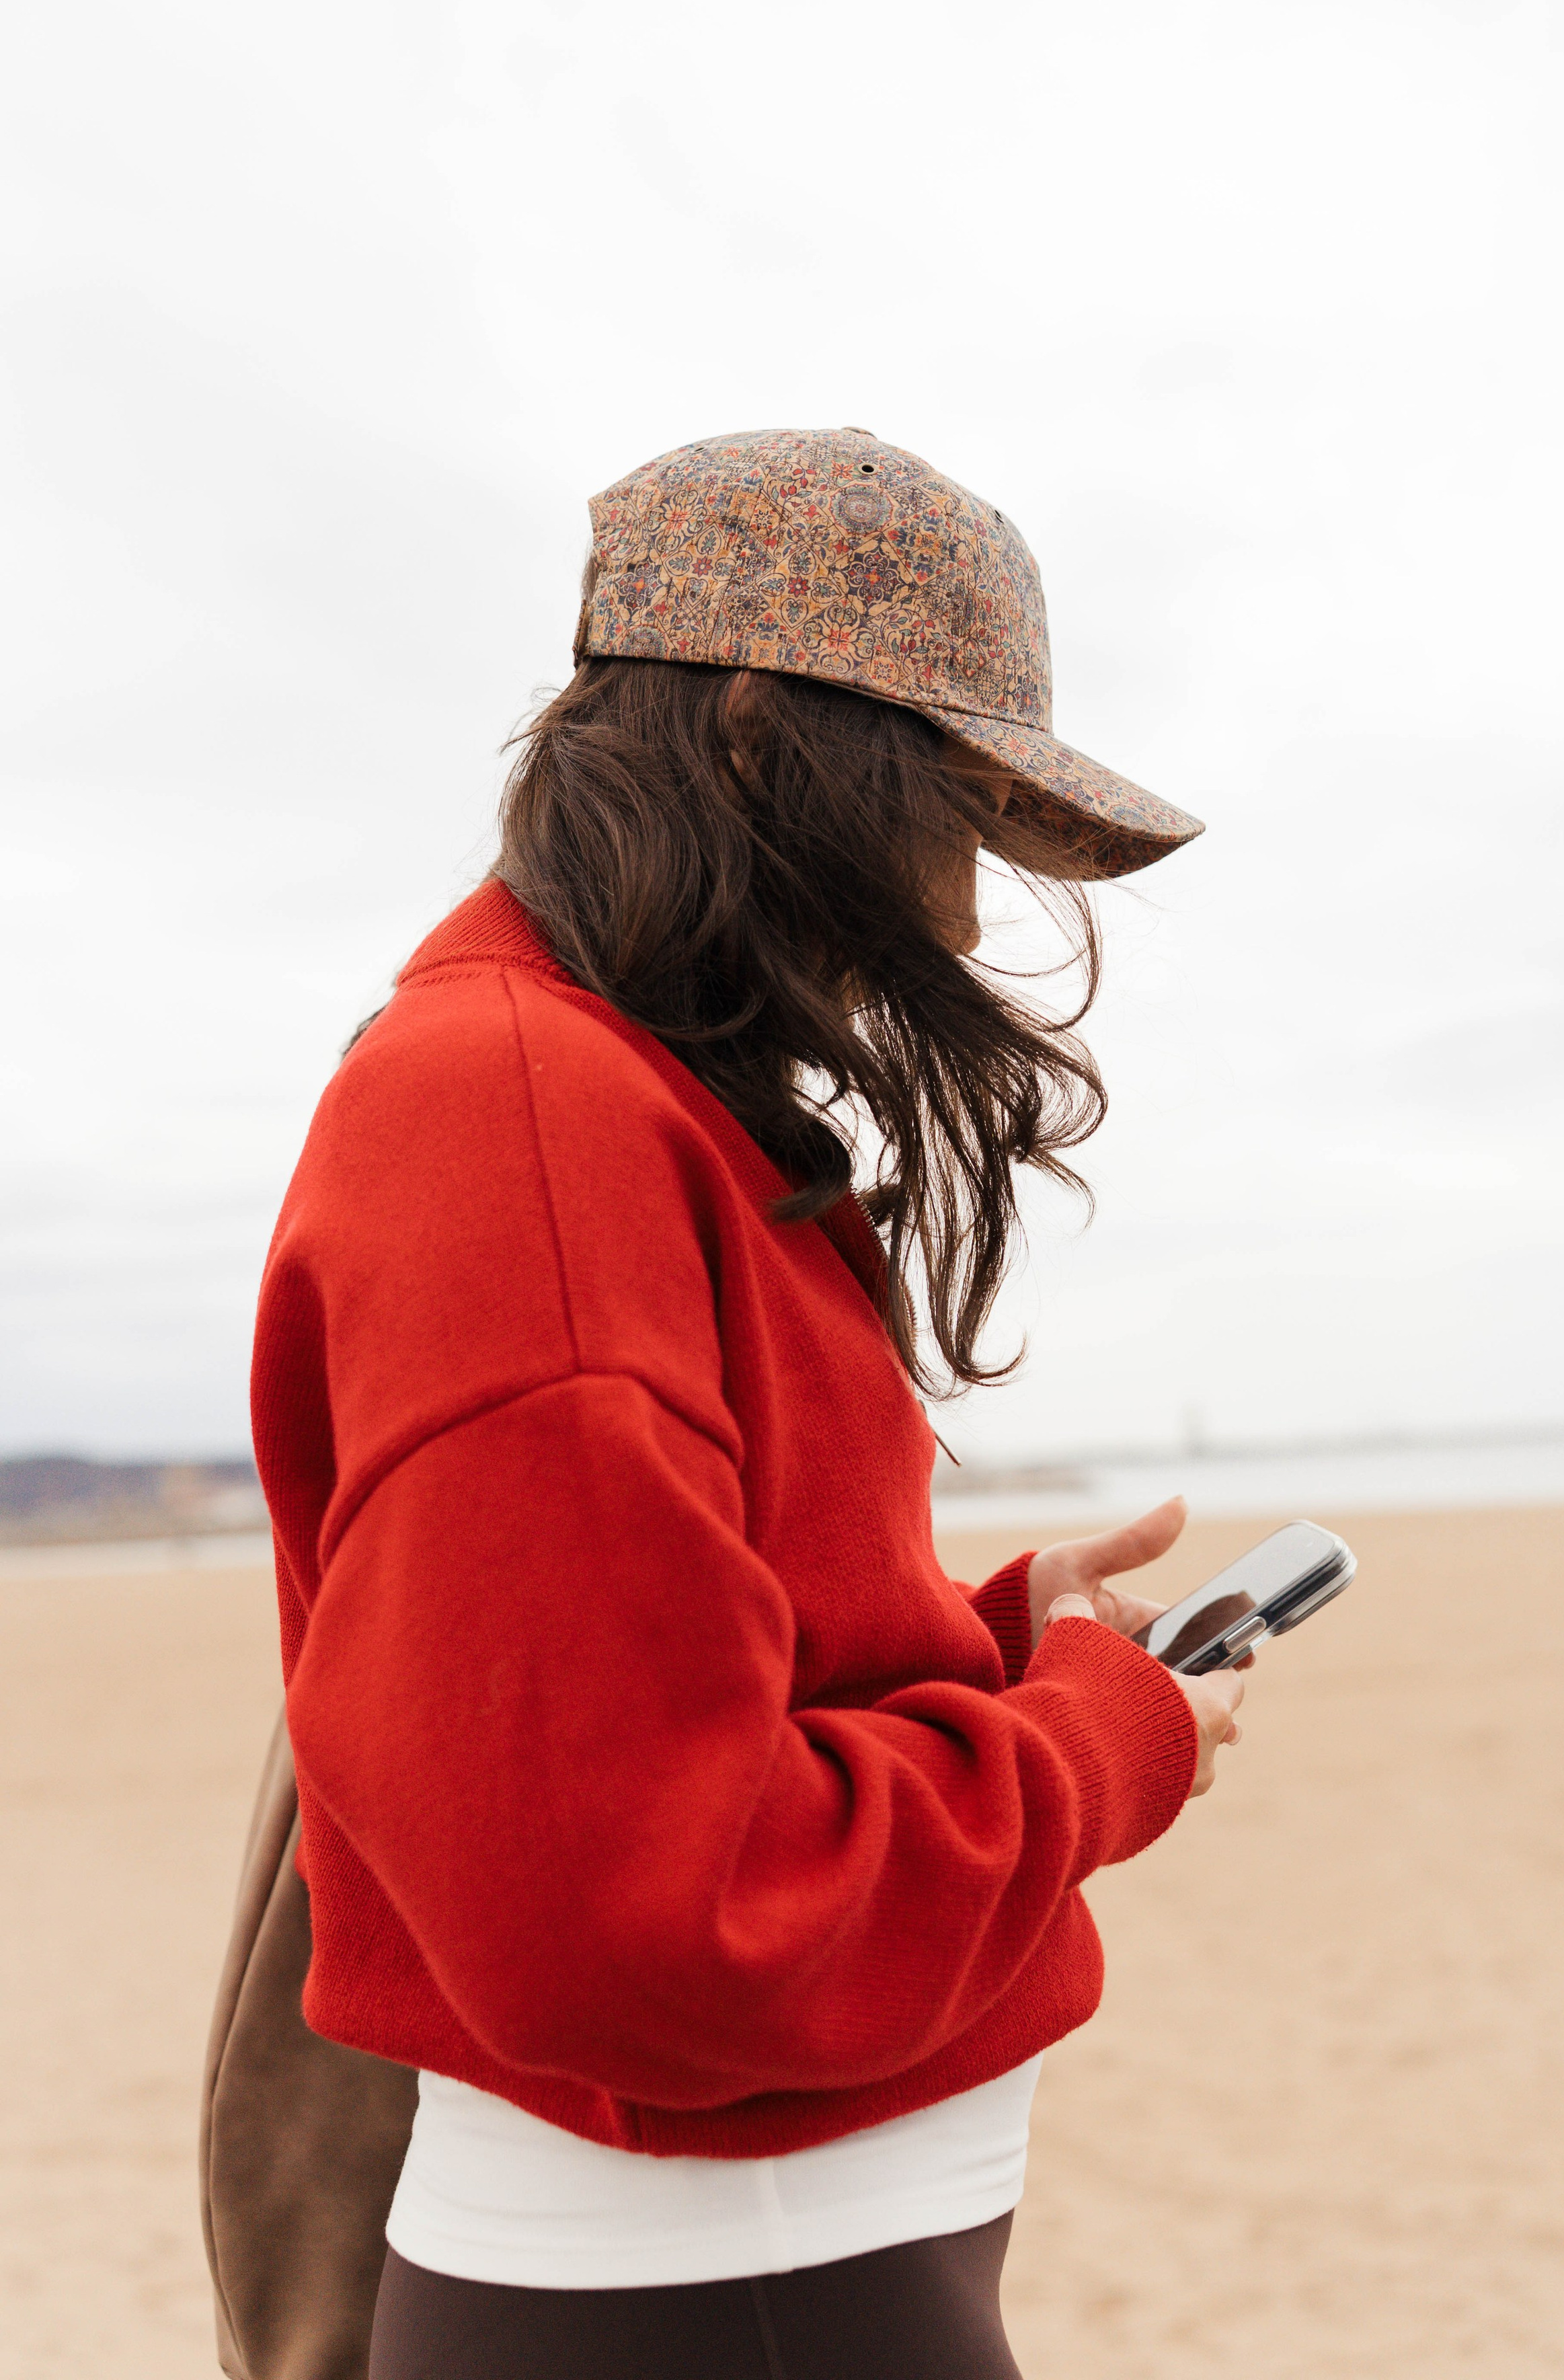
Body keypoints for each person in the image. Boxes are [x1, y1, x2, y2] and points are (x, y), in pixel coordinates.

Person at [251, 427, 1248, 2380]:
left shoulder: (606, 1100)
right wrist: (1092, 1747)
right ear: (747, 746)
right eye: (947, 811)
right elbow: (643, 1906)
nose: (962, 915)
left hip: (758, 2280)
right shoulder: (522, 1115)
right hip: (721, 2296)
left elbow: (622, 1703)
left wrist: (975, 1649)